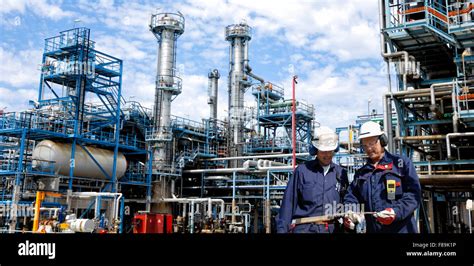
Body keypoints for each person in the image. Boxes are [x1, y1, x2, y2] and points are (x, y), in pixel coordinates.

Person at [344, 121, 421, 233]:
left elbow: (414, 195)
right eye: (365, 146)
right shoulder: (361, 173)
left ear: (382, 141)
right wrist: (351, 211)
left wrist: (395, 212)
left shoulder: (401, 164)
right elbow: (351, 196)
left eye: (371, 144)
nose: (368, 149)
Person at [276, 127, 349, 233]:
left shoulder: (341, 173)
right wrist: (282, 230)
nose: (328, 155)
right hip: (305, 229)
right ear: (315, 150)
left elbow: (347, 202)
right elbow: (288, 204)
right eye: (324, 151)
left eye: (330, 151)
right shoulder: (302, 171)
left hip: (332, 229)